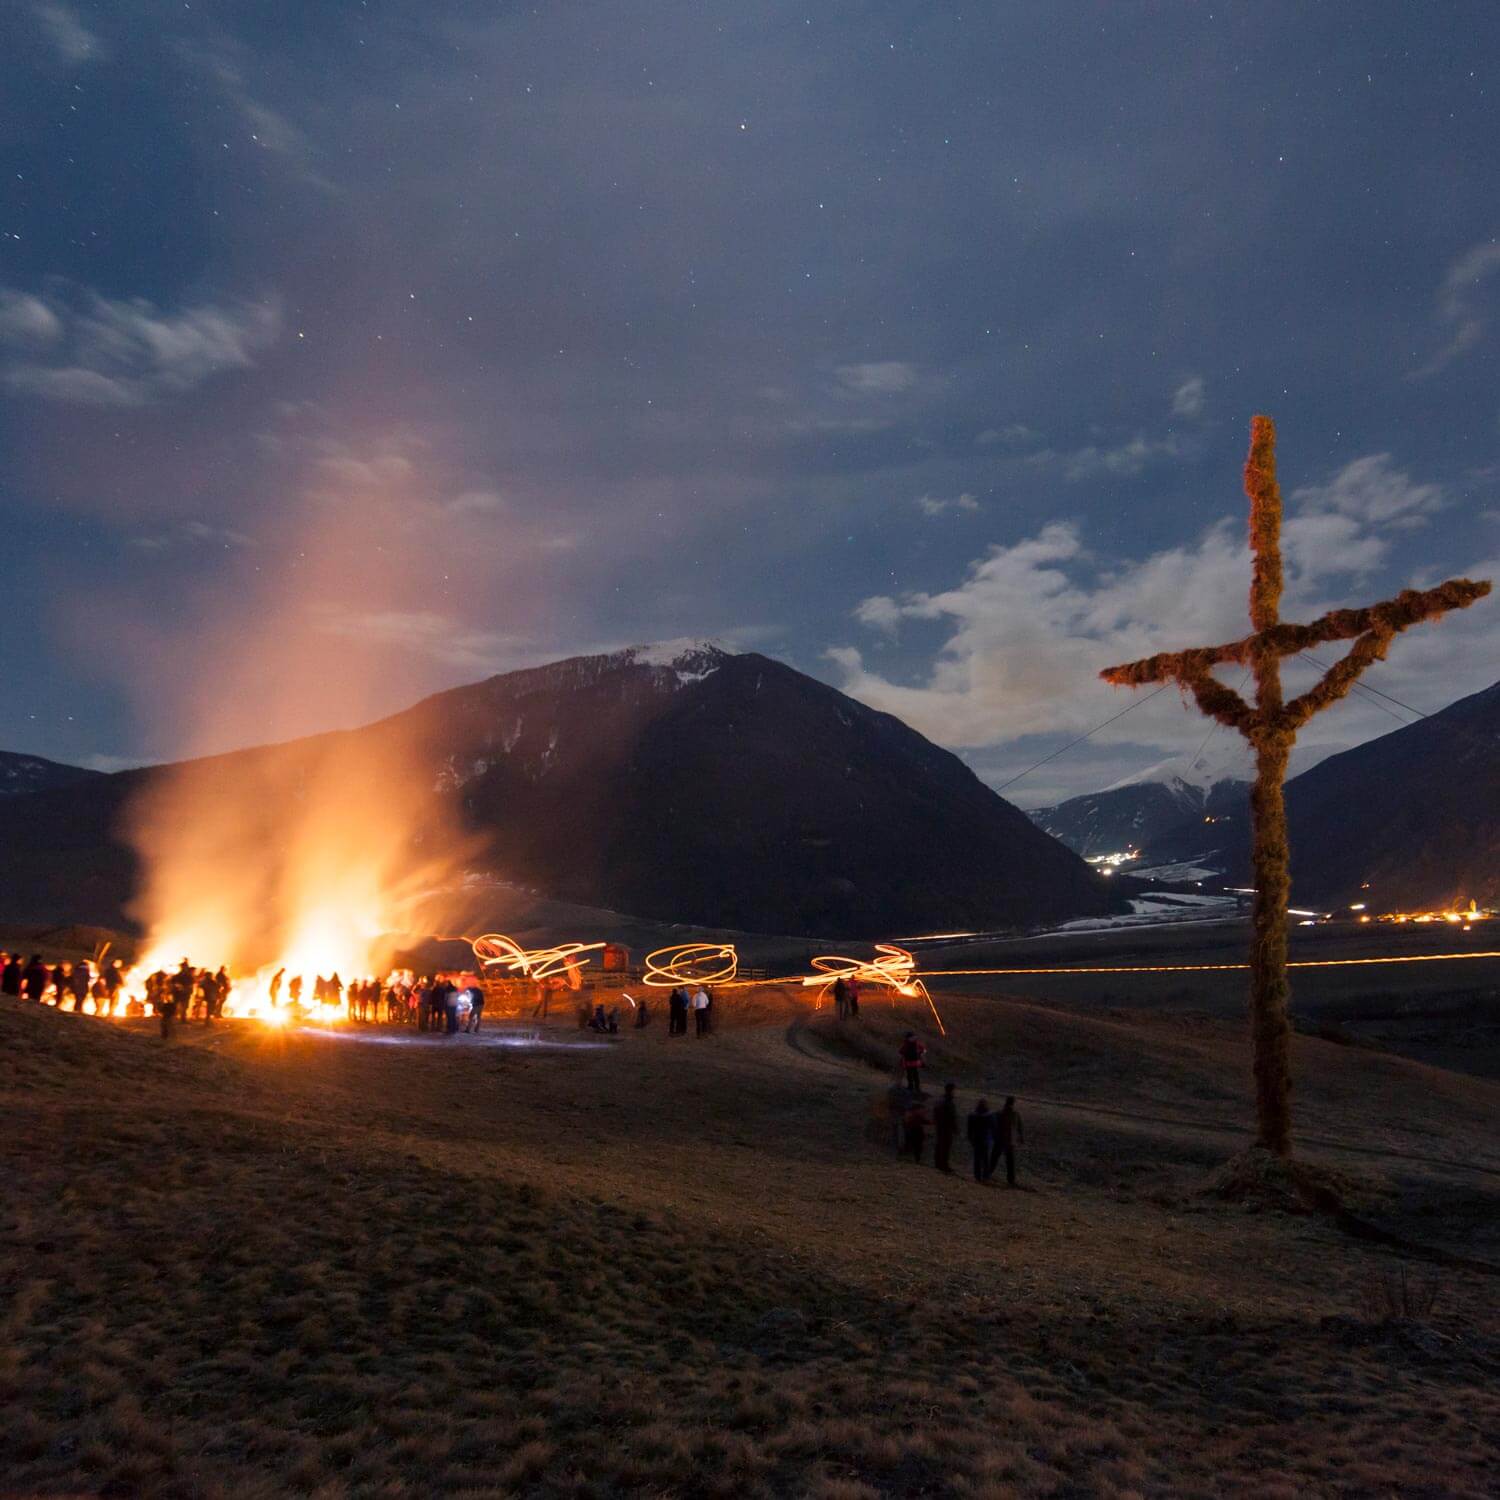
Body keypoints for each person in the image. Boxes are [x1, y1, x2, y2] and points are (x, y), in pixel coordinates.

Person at [990, 1096, 1024, 1187]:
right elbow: (1019, 1127)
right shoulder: (1014, 1114)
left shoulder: (1001, 1113)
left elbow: (994, 1126)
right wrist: (1020, 1137)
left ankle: (988, 1173)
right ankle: (1010, 1180)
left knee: (995, 1158)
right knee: (1009, 1161)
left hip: (1002, 1140)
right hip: (1008, 1141)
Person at [966, 1099, 994, 1183]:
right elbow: (993, 1127)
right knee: (985, 1159)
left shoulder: (972, 1115)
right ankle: (985, 1176)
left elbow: (969, 1129)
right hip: (985, 1139)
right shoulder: (989, 1116)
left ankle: (978, 1176)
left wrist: (970, 1138)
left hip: (977, 1139)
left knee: (977, 1158)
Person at [933, 1082, 958, 1173]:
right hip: (946, 1127)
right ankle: (943, 1164)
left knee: (940, 1144)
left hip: (941, 1126)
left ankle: (938, 1163)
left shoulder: (941, 1100)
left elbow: (935, 1113)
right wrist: (954, 1127)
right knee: (945, 1146)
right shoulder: (947, 1101)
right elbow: (951, 1116)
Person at [902, 1097, 931, 1163]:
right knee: (917, 1145)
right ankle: (916, 1158)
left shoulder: (909, 1113)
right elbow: (923, 1121)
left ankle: (912, 1157)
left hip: (912, 1130)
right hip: (916, 1130)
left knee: (913, 1144)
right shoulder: (915, 1114)